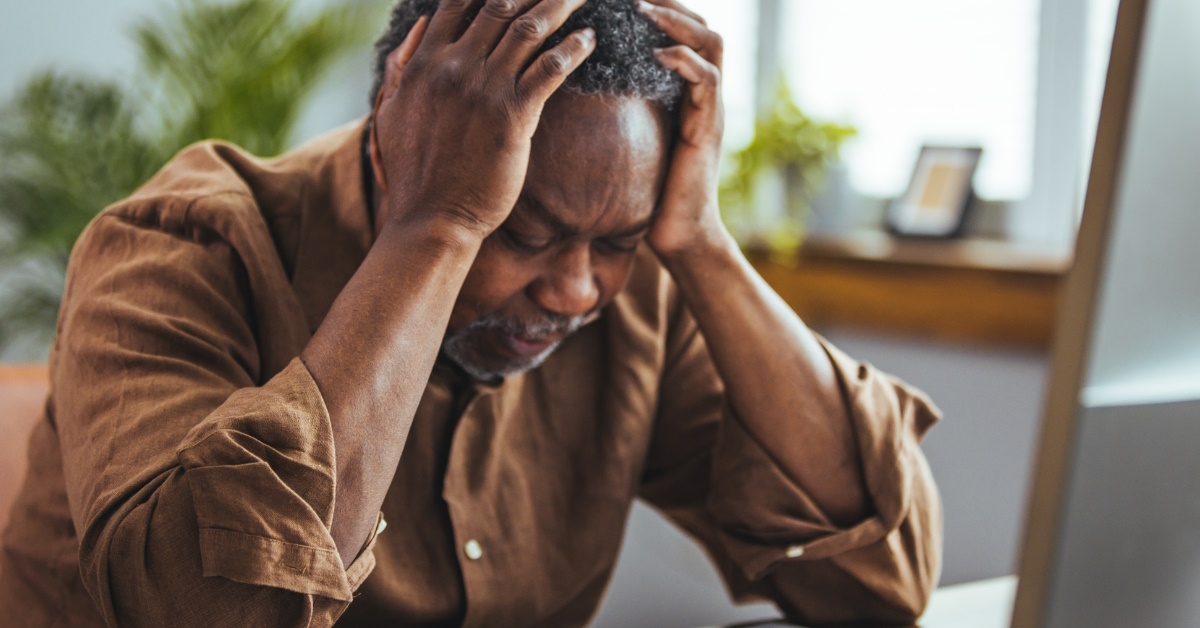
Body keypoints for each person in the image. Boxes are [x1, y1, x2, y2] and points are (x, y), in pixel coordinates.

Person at [0, 0, 943, 625]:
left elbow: (879, 581)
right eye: (523, 232)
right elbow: (209, 613)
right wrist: (439, 227)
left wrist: (699, 243)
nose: (577, 291)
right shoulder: (178, 248)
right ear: (395, 145)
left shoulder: (635, 290)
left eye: (616, 242)